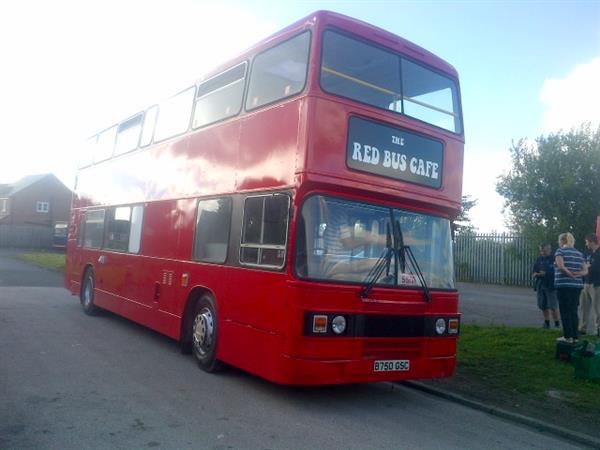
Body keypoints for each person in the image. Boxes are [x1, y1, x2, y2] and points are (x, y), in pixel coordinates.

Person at [554, 232, 587, 343]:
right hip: (577, 286)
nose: (558, 243)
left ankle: (567, 336)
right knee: (573, 310)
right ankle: (575, 336)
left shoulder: (560, 251)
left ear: (563, 241)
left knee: (565, 310)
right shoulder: (579, 253)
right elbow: (585, 270)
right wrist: (577, 275)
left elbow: (561, 266)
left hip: (563, 285)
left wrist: (569, 274)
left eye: (559, 240)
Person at [532, 243, 560, 328]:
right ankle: (546, 323)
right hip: (541, 285)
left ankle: (556, 324)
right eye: (546, 249)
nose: (549, 251)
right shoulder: (539, 259)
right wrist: (536, 274)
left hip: (551, 285)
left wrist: (546, 273)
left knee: (552, 306)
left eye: (549, 249)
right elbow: (534, 271)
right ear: (541, 250)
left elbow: (558, 271)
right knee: (543, 305)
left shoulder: (554, 258)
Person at [579, 233, 600, 336]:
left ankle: (598, 330)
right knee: (584, 308)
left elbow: (597, 268)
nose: (586, 244)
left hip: (596, 284)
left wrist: (588, 267)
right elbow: (584, 266)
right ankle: (582, 328)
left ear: (591, 241)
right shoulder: (588, 253)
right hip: (586, 283)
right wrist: (588, 266)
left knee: (597, 309)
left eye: (587, 242)